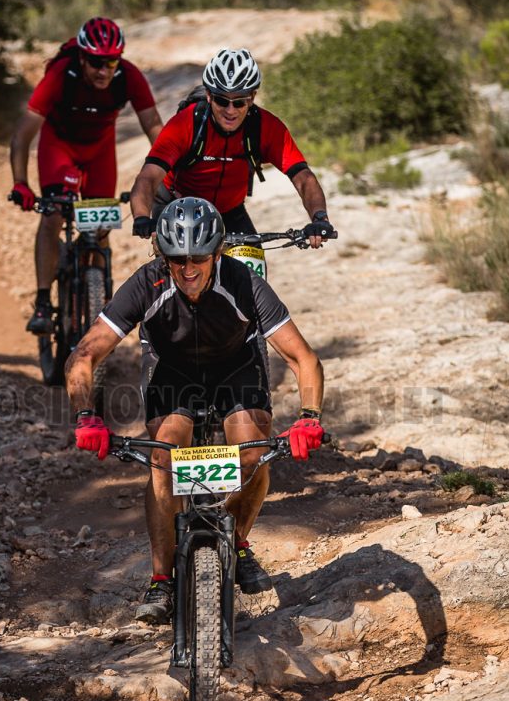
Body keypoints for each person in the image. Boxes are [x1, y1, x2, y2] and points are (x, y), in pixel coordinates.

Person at [65, 196, 325, 625]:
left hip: (235, 367)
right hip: (173, 371)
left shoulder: (243, 282)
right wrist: (86, 416)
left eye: (198, 258)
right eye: (176, 259)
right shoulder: (146, 283)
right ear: (162, 255)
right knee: (164, 456)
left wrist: (309, 417)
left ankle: (236, 541)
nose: (188, 269)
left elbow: (303, 358)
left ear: (216, 253)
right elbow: (84, 355)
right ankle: (161, 578)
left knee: (254, 453)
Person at [10, 17, 163, 334]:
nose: (104, 70)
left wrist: (171, 171)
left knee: (101, 227)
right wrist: (20, 183)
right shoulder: (60, 75)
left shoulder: (129, 76)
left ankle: (97, 301)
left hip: (99, 152)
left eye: (111, 62)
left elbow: (154, 127)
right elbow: (23, 135)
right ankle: (43, 302)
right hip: (60, 147)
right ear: (81, 57)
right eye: (96, 62)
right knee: (53, 214)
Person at [130, 48, 335, 247]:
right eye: (221, 100)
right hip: (179, 207)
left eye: (239, 102)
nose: (230, 111)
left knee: (253, 267)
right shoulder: (185, 124)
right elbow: (148, 177)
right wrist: (141, 217)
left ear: (252, 98)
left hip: (229, 211)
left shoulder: (266, 127)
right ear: (209, 96)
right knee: (182, 267)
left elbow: (303, 178)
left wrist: (319, 218)